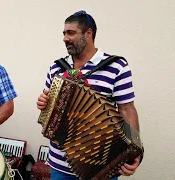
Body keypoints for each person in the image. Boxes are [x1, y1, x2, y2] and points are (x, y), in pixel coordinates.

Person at [36, 10, 141, 180]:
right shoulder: (56, 67)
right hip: (60, 165)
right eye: (64, 33)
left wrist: (135, 149)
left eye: (71, 33)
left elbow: (127, 109)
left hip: (101, 166)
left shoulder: (117, 66)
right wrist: (43, 104)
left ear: (88, 34)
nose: (65, 38)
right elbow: (47, 112)